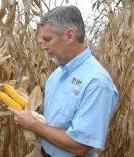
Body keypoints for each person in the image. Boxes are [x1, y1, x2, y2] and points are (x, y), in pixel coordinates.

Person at [8, 5, 119, 157]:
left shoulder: (97, 83)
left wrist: (33, 124)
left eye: (47, 39)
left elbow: (80, 146)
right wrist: (32, 106)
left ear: (70, 36)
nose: (43, 46)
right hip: (41, 152)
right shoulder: (58, 73)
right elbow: (55, 115)